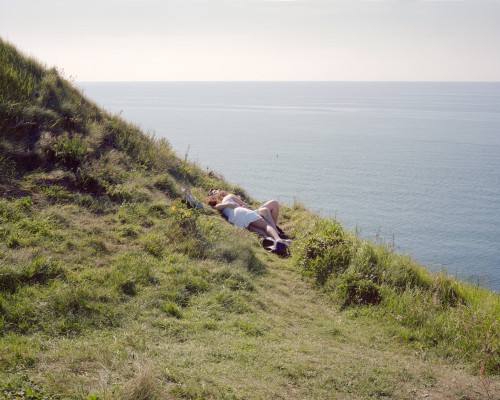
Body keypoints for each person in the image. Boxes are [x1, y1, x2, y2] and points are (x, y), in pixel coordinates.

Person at [205, 189, 289, 244]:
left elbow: (215, 207)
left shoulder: (222, 207)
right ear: (215, 195)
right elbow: (245, 206)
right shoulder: (228, 197)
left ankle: (272, 240)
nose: (218, 190)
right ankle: (278, 238)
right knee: (267, 223)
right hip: (244, 213)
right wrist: (239, 202)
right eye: (215, 191)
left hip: (236, 221)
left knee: (261, 231)